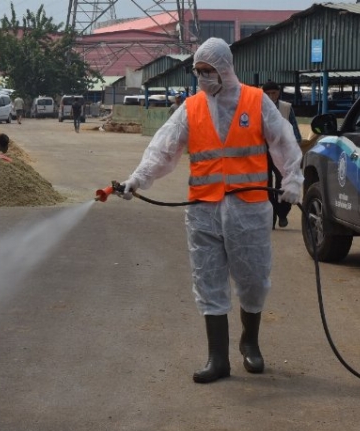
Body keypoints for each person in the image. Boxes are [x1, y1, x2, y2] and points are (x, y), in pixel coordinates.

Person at [118, 38, 303, 384]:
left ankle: (250, 342)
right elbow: (163, 148)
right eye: (198, 72)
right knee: (208, 280)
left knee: (252, 280)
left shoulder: (255, 100)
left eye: (209, 71)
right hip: (203, 209)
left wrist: (292, 179)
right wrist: (137, 180)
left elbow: (283, 140)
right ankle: (217, 358)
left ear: (225, 68)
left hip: (247, 210)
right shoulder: (191, 108)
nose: (203, 78)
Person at [262, 81, 302, 229]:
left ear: (279, 93)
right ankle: (270, 217)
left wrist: (296, 149)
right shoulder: (258, 107)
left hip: (281, 151)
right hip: (263, 151)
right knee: (265, 185)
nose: (271, 96)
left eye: (274, 93)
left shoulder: (286, 107)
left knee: (283, 183)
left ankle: (282, 212)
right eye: (268, 94)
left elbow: (295, 130)